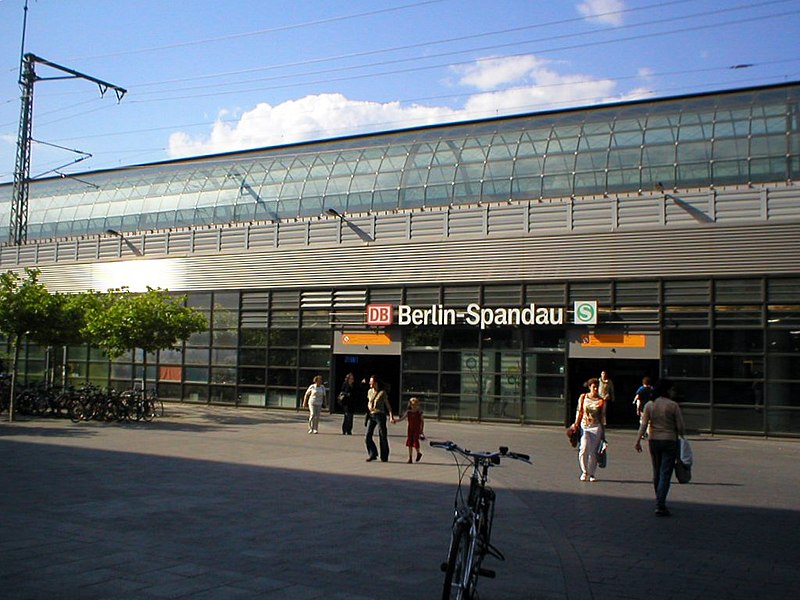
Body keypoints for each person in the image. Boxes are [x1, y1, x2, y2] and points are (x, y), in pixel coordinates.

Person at [635, 378, 686, 516]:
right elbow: (681, 427)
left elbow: (643, 425)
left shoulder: (650, 405)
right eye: (672, 389)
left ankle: (659, 498)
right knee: (665, 473)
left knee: (656, 471)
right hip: (670, 440)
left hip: (654, 440)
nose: (673, 392)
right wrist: (680, 434)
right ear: (667, 390)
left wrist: (638, 440)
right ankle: (660, 503)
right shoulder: (673, 405)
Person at [572, 378, 606, 482]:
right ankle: (584, 471)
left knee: (593, 452)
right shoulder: (583, 397)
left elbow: (603, 417)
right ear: (589, 387)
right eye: (593, 386)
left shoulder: (601, 401)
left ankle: (592, 473)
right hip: (584, 426)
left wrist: (603, 433)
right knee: (583, 448)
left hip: (596, 427)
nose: (595, 388)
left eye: (597, 387)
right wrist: (576, 424)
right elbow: (579, 411)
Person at [365, 375, 394, 462]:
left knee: (382, 435)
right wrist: (369, 407)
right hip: (371, 415)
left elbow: (388, 405)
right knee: (367, 436)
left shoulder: (382, 393)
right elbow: (369, 401)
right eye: (370, 382)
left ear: (376, 383)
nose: (370, 383)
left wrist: (391, 416)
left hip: (380, 415)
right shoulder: (369, 391)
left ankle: (384, 456)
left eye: (372, 382)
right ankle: (372, 453)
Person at [394, 397, 425, 463]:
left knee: (416, 441)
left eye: (414, 403)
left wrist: (421, 430)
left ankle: (418, 453)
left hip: (417, 429)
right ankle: (410, 457)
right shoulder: (408, 412)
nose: (413, 405)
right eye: (412, 404)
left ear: (417, 404)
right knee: (410, 442)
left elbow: (422, 421)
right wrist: (396, 420)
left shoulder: (419, 412)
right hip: (410, 429)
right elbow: (402, 418)